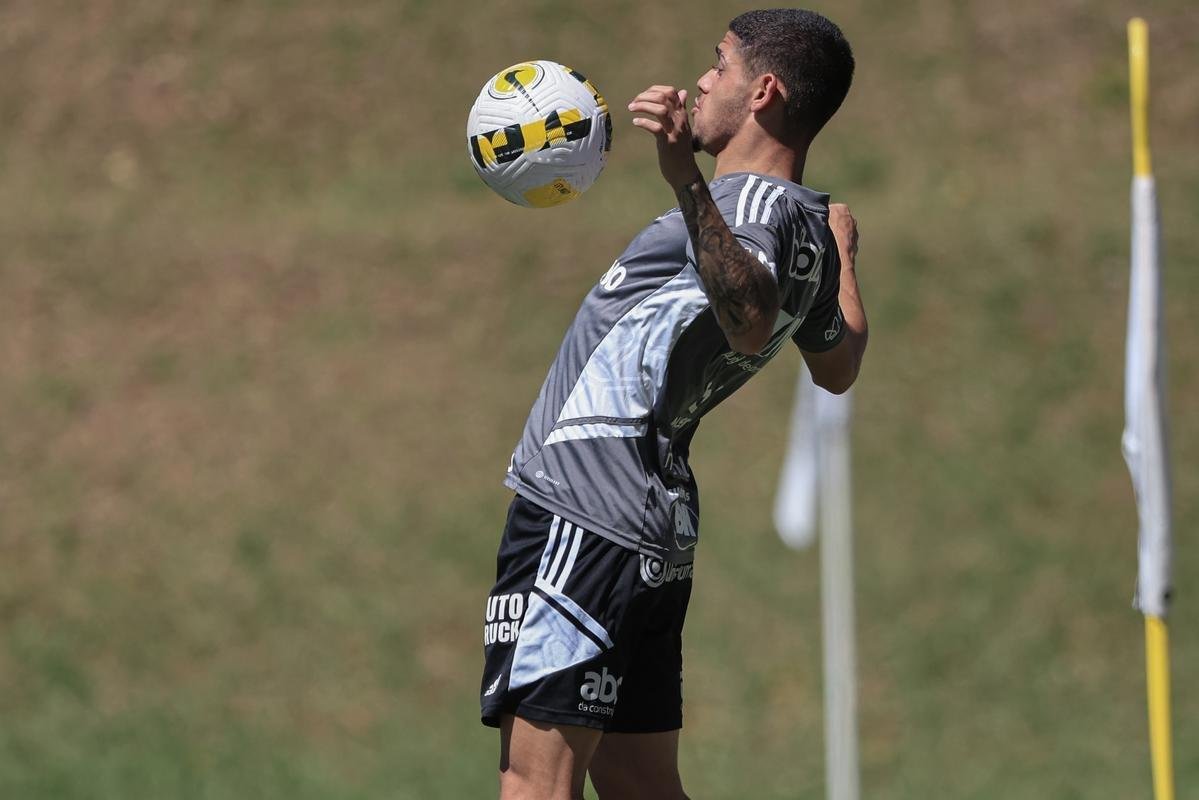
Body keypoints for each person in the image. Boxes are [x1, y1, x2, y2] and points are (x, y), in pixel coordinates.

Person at [480, 9, 868, 799]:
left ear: (761, 92)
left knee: (533, 784)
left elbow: (749, 311)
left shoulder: (750, 211)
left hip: (585, 513)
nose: (699, 81)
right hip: (647, 525)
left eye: (717, 65)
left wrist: (683, 177)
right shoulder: (805, 229)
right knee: (640, 786)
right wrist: (844, 260)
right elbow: (837, 364)